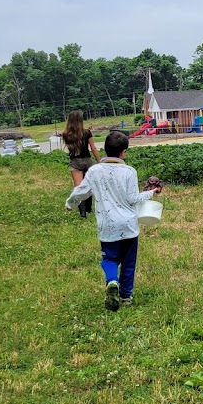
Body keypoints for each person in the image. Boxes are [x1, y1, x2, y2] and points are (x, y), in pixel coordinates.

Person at [65, 131, 162, 311]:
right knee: (128, 262)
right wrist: (151, 193)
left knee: (109, 258)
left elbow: (82, 190)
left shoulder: (94, 171)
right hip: (128, 226)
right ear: (123, 152)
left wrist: (70, 203)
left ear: (105, 149)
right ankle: (126, 296)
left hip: (107, 226)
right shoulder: (129, 171)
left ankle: (112, 281)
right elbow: (133, 198)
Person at [61, 110, 102, 218]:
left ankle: (83, 213)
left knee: (78, 187)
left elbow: (71, 149)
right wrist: (99, 161)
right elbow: (93, 148)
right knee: (89, 185)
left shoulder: (65, 134)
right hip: (87, 161)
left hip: (75, 162)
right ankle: (89, 208)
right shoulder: (87, 132)